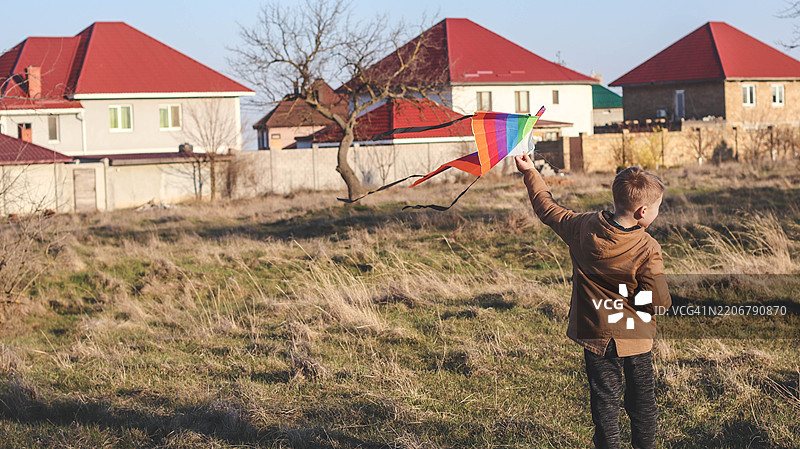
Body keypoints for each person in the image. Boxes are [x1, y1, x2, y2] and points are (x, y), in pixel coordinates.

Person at [514, 154, 671, 449]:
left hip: (595, 335)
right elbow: (659, 302)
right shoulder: (648, 247)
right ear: (642, 211)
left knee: (605, 405)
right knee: (643, 404)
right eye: (658, 209)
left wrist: (530, 172)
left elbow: (547, 209)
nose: (658, 214)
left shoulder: (582, 226)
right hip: (635, 337)